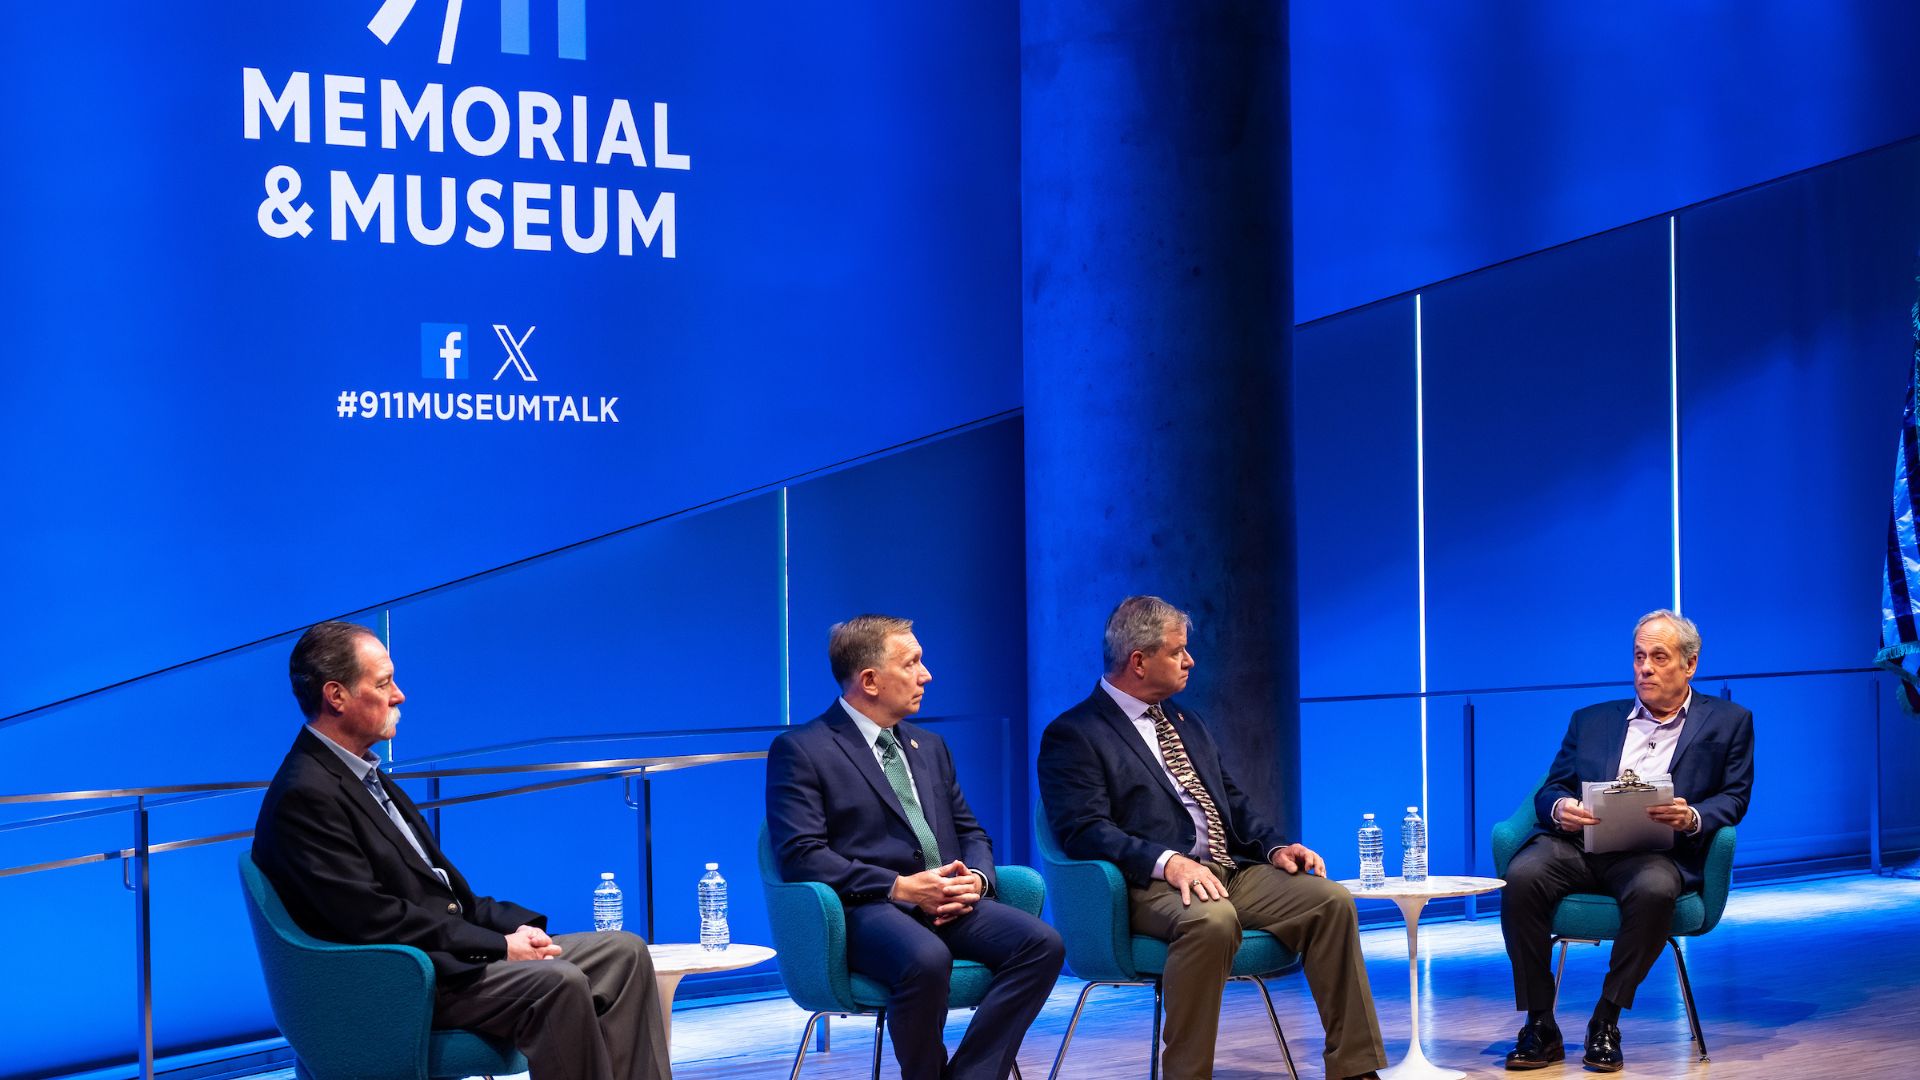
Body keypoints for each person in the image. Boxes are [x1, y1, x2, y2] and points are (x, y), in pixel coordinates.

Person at [252, 621, 670, 1080]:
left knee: (624, 954)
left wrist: (518, 930)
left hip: (444, 958)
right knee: (558, 982)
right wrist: (497, 947)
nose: (400, 695)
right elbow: (374, 920)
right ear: (336, 696)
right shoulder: (305, 793)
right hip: (403, 982)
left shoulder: (362, 776)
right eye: (384, 682)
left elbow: (443, 894)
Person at [1036, 595, 1385, 1080]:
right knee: (1212, 920)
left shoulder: (1186, 722)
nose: (1190, 660)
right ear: (1139, 661)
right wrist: (1168, 862)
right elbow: (1084, 832)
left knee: (1330, 901)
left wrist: (1275, 847)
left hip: (1229, 872)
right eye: (1178, 651)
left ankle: (1353, 1068)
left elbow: (1233, 804)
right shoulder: (1074, 734)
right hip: (1146, 886)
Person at [765, 615, 1064, 1080]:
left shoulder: (931, 745)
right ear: (869, 680)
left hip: (945, 900)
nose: (926, 675)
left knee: (1041, 944)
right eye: (912, 663)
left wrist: (977, 880)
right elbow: (801, 854)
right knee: (926, 958)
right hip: (865, 908)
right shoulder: (802, 749)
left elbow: (972, 832)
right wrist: (901, 887)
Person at [1500, 609, 1754, 1073]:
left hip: (1655, 853)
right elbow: (1551, 788)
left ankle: (1606, 1020)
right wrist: (1561, 809)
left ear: (1690, 664)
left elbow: (1735, 798)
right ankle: (1540, 1024)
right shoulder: (1592, 720)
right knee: (1522, 875)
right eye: (1639, 657)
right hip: (1580, 847)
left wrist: (1692, 815)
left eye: (1659, 657)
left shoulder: (1730, 721)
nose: (1645, 668)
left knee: (1656, 890)